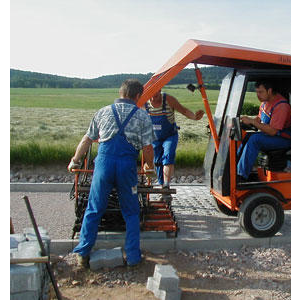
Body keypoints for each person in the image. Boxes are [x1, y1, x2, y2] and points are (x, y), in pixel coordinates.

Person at [67, 79, 155, 268]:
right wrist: (150, 168)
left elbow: (87, 139)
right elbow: (148, 148)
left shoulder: (103, 112)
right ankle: (132, 257)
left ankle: (83, 254)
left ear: (120, 92)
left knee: (94, 209)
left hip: (104, 164)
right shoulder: (143, 116)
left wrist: (75, 160)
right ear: (138, 96)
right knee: (131, 212)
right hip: (126, 166)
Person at [144, 90, 204, 194]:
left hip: (170, 135)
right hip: (154, 137)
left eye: (156, 95)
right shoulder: (144, 103)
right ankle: (162, 185)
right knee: (157, 161)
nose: (153, 98)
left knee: (168, 155)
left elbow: (184, 111)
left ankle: (166, 185)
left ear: (159, 90)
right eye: (151, 96)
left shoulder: (168, 100)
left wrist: (194, 117)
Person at [237, 80, 291, 182]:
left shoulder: (281, 106)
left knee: (255, 139)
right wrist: (244, 121)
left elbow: (273, 131)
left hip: (283, 139)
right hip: (271, 136)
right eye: (257, 92)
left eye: (260, 92)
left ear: (269, 91)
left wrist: (252, 121)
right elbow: (258, 120)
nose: (258, 95)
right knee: (247, 136)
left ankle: (241, 176)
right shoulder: (264, 104)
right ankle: (234, 169)